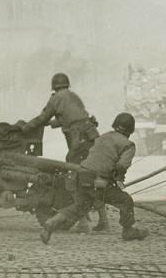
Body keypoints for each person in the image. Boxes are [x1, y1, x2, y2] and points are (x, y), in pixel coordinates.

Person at [17, 72, 108, 232]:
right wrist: (53, 123)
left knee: (73, 178)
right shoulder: (73, 96)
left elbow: (42, 118)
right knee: (91, 177)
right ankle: (104, 220)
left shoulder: (56, 98)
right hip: (91, 137)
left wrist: (25, 128)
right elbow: (73, 117)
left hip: (78, 141)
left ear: (54, 87)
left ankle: (83, 223)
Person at [40, 112, 146, 243]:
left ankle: (52, 222)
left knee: (79, 207)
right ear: (131, 129)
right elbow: (122, 166)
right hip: (98, 180)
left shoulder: (103, 137)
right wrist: (117, 178)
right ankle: (128, 231)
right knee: (125, 200)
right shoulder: (128, 145)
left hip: (82, 176)